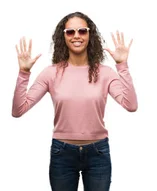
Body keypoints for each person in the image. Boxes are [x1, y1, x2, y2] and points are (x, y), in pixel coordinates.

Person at [11, 12, 137, 191]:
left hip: (98, 153)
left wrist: (122, 65)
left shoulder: (106, 73)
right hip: (62, 153)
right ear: (63, 36)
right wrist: (23, 73)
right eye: (70, 32)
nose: (76, 36)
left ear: (89, 34)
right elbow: (18, 110)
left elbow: (131, 105)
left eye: (82, 31)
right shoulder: (51, 73)